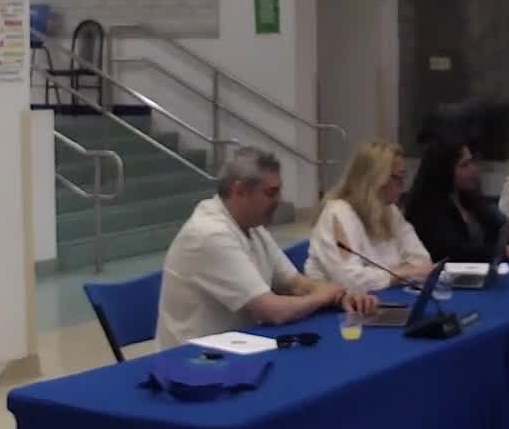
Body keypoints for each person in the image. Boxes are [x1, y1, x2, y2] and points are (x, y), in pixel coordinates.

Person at [156, 147, 376, 348]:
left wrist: (341, 297)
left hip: (235, 347)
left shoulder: (253, 227)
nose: (280, 200)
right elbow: (273, 311)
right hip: (192, 361)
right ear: (240, 191)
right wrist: (325, 296)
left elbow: (295, 284)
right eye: (271, 193)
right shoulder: (210, 234)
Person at [306, 140, 437, 292]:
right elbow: (350, 281)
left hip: (382, 296)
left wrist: (377, 276)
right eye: (399, 177)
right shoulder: (338, 213)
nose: (403, 187)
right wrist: (402, 273)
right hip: (337, 304)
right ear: (377, 179)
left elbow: (422, 261)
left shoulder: (389, 210)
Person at [404, 140, 509, 263]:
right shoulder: (425, 210)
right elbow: (457, 252)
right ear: (443, 170)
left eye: (472, 162)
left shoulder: (468, 199)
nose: (474, 169)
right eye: (465, 165)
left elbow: (496, 238)